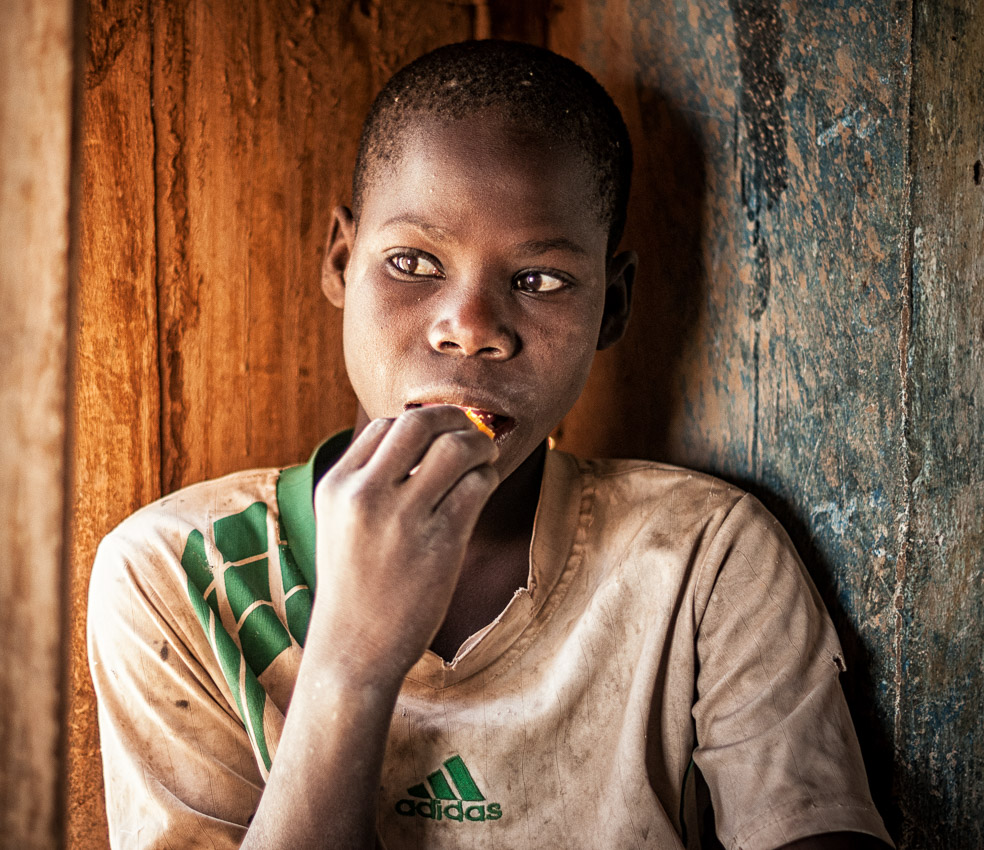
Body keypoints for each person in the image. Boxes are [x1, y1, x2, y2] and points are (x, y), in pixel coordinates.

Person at [88, 40, 893, 850]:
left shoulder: (699, 557)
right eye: (412, 262)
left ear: (611, 307)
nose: (470, 328)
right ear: (341, 260)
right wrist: (350, 666)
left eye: (538, 280)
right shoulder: (178, 574)